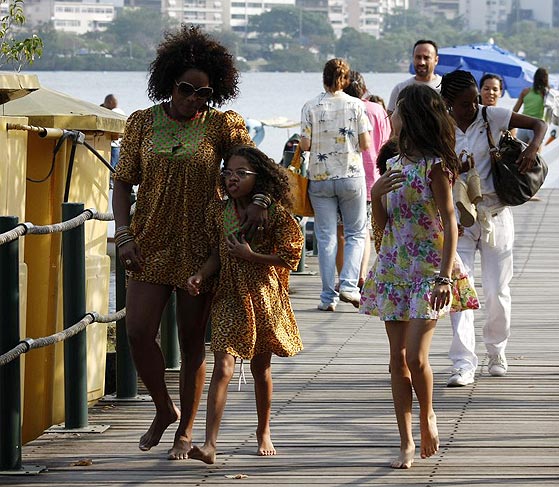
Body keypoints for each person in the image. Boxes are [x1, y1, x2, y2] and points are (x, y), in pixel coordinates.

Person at [112, 25, 262, 460]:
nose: (195, 98)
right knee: (138, 332)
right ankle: (164, 410)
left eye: (204, 93)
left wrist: (261, 201)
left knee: (194, 340)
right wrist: (122, 234)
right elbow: (122, 184)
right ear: (169, 82)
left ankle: (187, 431)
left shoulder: (222, 125)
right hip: (150, 241)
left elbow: (254, 168)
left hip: (202, 245)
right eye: (186, 89)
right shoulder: (142, 122)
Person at [360, 83, 478, 469]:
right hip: (394, 269)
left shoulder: (435, 166)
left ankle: (428, 415)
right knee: (397, 361)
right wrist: (375, 195)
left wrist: (445, 277)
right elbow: (381, 229)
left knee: (415, 355)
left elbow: (450, 220)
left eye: (396, 110)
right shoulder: (392, 164)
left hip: (429, 271)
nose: (390, 115)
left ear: (410, 117)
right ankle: (406, 440)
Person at [187, 145, 304, 464]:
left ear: (259, 178)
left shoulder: (275, 212)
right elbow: (216, 252)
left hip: (264, 295)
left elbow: (292, 255)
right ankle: (210, 443)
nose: (231, 179)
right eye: (227, 172)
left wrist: (253, 257)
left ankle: (263, 430)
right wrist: (200, 275)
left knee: (260, 369)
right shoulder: (218, 211)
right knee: (222, 367)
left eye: (241, 173)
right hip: (228, 295)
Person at [440, 70, 547, 387]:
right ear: (448, 102)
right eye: (464, 103)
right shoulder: (441, 125)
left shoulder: (491, 115)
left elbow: (539, 124)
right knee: (461, 292)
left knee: (497, 291)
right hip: (459, 217)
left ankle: (497, 352)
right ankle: (463, 362)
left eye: (474, 99)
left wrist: (532, 148)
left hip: (496, 213)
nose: (472, 106)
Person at [300, 58, 371, 312]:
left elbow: (306, 145)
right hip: (351, 176)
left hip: (320, 179)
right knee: (355, 233)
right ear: (347, 80)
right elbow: (365, 144)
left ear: (323, 78)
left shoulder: (310, 106)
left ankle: (327, 297)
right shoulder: (356, 106)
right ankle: (349, 286)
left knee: (326, 237)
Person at [335, 70, 391, 287]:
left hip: (344, 176)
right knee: (363, 231)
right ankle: (361, 274)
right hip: (373, 179)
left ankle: (343, 279)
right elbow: (386, 143)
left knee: (342, 232)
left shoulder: (339, 108)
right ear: (364, 88)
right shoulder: (378, 110)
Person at [386, 40, 442, 116]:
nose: (422, 62)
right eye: (418, 57)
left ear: (436, 60)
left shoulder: (444, 87)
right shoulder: (400, 88)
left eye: (426, 58)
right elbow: (390, 121)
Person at [512, 67, 550, 143]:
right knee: (534, 153)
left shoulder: (525, 91)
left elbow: (515, 110)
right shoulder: (546, 93)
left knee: (518, 151)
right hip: (537, 126)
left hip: (523, 124)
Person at [101, 94, 126, 170]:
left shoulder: (112, 113)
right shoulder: (121, 112)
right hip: (119, 145)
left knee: (108, 169)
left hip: (112, 145)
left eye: (105, 103)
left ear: (110, 102)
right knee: (115, 168)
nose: (105, 106)